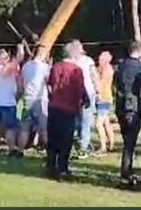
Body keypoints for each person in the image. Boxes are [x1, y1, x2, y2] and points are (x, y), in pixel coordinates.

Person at [45, 43, 88, 181]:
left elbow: (50, 85)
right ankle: (62, 169)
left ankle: (51, 165)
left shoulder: (56, 66)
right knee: (65, 140)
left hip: (54, 107)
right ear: (75, 54)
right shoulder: (76, 70)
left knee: (53, 138)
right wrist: (83, 101)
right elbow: (79, 89)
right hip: (69, 108)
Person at [114, 40, 141, 186]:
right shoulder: (140, 68)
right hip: (133, 106)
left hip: (120, 105)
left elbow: (116, 82)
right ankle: (126, 171)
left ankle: (126, 169)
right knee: (130, 142)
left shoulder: (121, 65)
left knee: (126, 140)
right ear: (140, 51)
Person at [68, 43, 98, 158]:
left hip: (72, 93)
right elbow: (93, 75)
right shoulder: (88, 61)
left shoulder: (69, 61)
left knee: (74, 121)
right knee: (86, 121)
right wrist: (97, 89)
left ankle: (74, 144)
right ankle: (83, 148)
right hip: (88, 92)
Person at [18, 44, 51, 151]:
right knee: (44, 127)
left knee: (25, 128)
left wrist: (20, 95)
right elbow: (48, 83)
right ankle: (47, 150)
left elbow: (21, 84)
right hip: (40, 100)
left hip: (28, 99)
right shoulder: (44, 67)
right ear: (41, 53)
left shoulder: (26, 66)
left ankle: (20, 150)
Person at [95, 51, 116, 154]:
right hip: (106, 97)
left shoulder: (106, 70)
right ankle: (111, 144)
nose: (99, 61)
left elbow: (100, 85)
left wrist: (95, 78)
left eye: (101, 59)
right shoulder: (103, 68)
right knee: (106, 122)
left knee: (98, 123)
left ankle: (103, 147)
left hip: (104, 98)